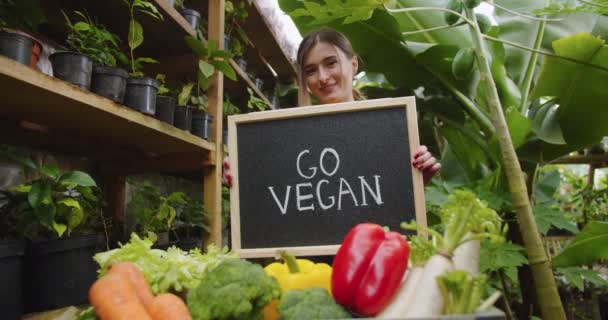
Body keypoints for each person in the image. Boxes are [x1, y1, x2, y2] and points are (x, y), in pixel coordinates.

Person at [223, 28, 440, 186]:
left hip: (374, 247)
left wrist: (417, 179)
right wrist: (244, 179)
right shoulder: (289, 138)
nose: (323, 77)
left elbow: (391, 193)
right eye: (310, 70)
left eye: (331, 63)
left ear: (353, 64)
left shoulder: (386, 129)